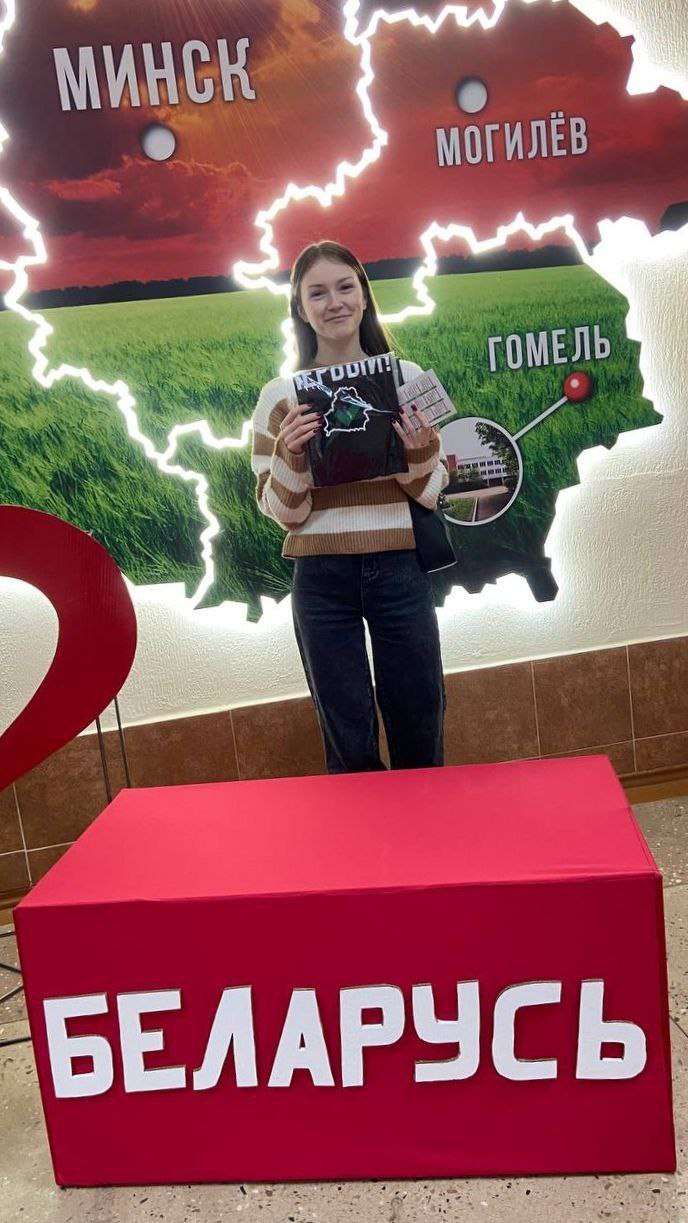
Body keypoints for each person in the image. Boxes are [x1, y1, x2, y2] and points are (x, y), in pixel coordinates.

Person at [251, 240, 449, 774]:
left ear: (364, 296)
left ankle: (424, 821)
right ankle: (364, 826)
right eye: (317, 293)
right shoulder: (279, 397)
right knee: (345, 729)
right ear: (299, 307)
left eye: (345, 287)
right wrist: (291, 454)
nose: (334, 302)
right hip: (321, 577)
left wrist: (418, 451)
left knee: (420, 713)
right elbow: (282, 512)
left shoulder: (408, 379)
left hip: (400, 567)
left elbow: (432, 491)